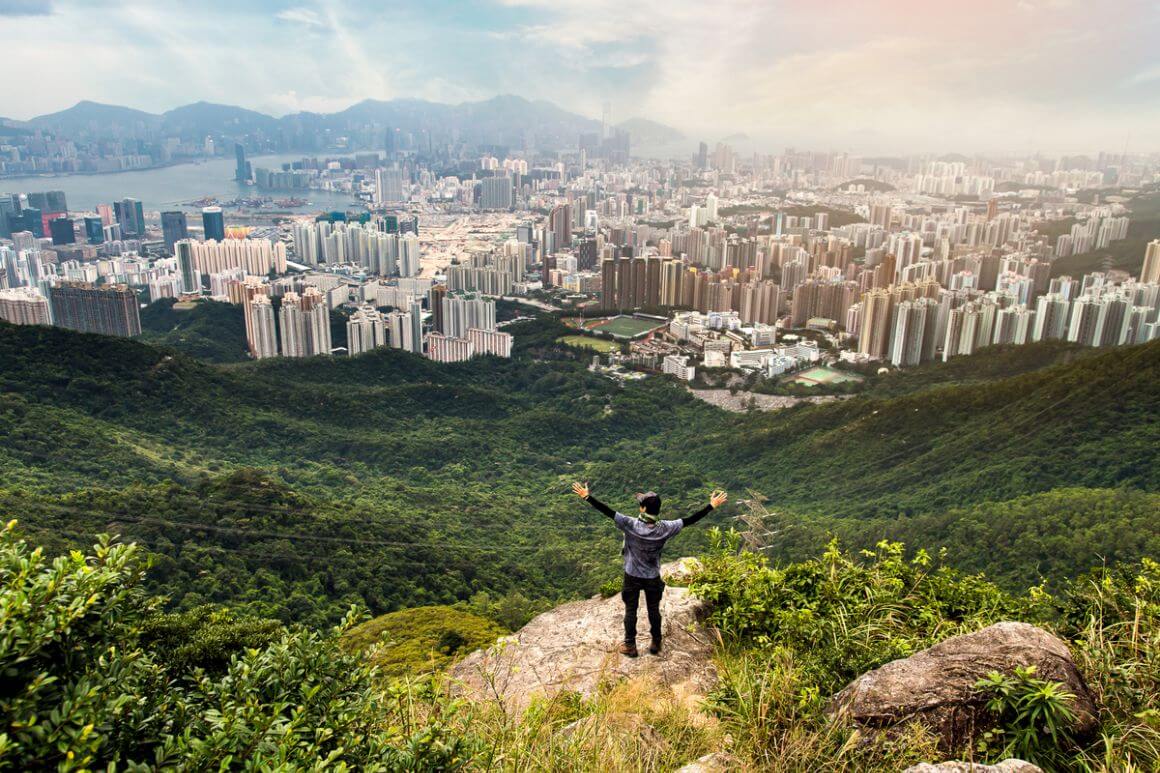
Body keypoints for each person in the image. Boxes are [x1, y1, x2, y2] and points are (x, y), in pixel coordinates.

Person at [572, 482, 728, 658]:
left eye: (640, 503)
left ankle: (630, 645)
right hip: (652, 576)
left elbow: (608, 511)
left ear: (643, 508)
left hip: (632, 575)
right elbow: (690, 520)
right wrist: (711, 506)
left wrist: (587, 496)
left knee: (631, 610)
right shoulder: (666, 528)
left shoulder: (630, 524)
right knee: (653, 610)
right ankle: (655, 642)